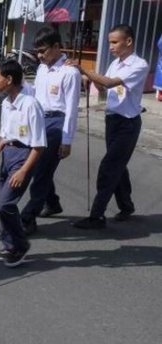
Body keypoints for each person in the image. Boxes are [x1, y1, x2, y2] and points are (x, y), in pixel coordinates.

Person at [67, 24, 150, 229]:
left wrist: (85, 69)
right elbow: (105, 89)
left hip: (127, 123)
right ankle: (126, 205)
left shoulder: (138, 64)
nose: (111, 47)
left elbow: (112, 83)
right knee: (117, 165)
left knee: (109, 166)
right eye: (109, 43)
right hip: (112, 120)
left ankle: (97, 215)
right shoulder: (116, 64)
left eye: (115, 42)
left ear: (128, 41)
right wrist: (91, 81)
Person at [19, 27, 81, 234]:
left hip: (57, 123)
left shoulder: (69, 72)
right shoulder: (42, 68)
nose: (40, 55)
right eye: (37, 51)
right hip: (39, 121)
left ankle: (28, 216)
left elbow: (71, 108)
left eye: (43, 51)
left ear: (56, 47)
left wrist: (67, 140)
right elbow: (35, 95)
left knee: (41, 172)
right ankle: (52, 202)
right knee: (39, 167)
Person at [0, 60, 46, 267]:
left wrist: (23, 171)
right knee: (2, 205)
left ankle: (20, 245)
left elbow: (39, 145)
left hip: (23, 156)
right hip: (8, 154)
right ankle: (9, 245)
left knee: (6, 203)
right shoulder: (6, 103)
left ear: (9, 79)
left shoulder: (30, 105)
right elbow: (6, 134)